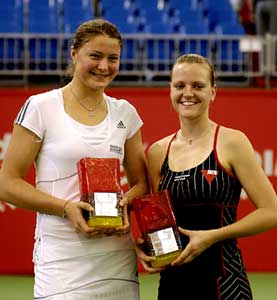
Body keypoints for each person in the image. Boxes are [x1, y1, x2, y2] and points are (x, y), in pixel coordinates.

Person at [0, 19, 149, 300]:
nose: (104, 66)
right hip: (60, 258)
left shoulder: (125, 113)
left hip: (116, 258)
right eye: (95, 56)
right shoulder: (40, 107)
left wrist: (124, 204)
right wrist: (65, 207)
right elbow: (7, 184)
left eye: (112, 58)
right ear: (74, 53)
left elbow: (141, 183)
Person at [136, 53, 277, 299]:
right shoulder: (158, 152)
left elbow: (271, 211)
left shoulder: (232, 141)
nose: (187, 93)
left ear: (213, 92)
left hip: (225, 284)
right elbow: (159, 220)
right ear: (170, 90)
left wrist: (212, 236)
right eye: (179, 86)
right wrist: (147, 247)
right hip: (173, 285)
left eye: (198, 86)